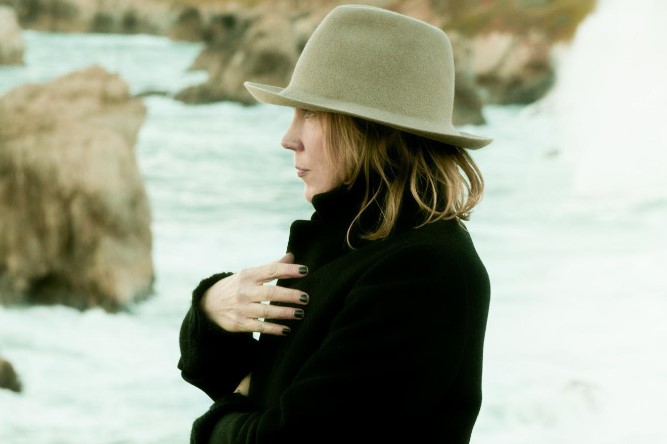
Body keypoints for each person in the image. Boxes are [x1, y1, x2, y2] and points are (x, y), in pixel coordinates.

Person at [178, 4, 493, 443]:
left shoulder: (425, 269)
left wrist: (214, 426)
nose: (288, 139)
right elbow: (252, 386)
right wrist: (211, 308)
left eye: (310, 113)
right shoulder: (349, 240)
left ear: (371, 129)